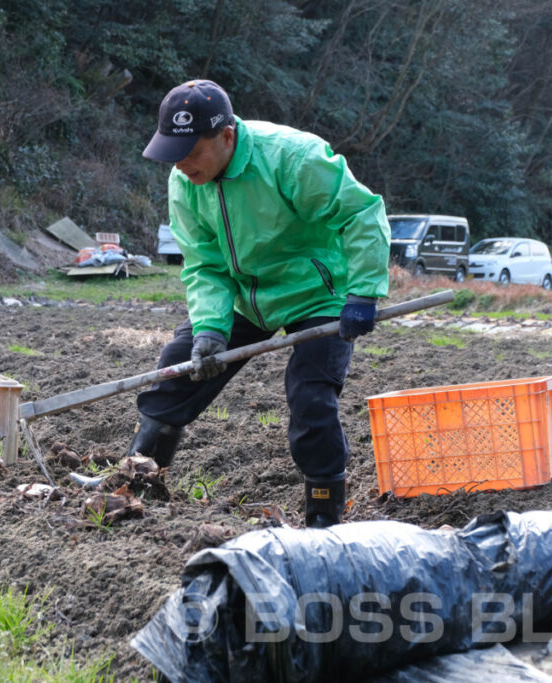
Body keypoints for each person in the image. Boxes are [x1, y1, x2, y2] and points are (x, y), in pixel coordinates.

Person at [129, 79, 390, 527]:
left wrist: (364, 290)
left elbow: (360, 212)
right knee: (177, 370)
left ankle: (324, 514)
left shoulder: (292, 157)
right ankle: (137, 480)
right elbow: (203, 262)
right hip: (242, 296)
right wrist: (211, 326)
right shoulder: (185, 181)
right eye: (174, 151)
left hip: (315, 293)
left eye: (192, 150)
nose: (181, 162)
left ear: (227, 135)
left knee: (311, 394)